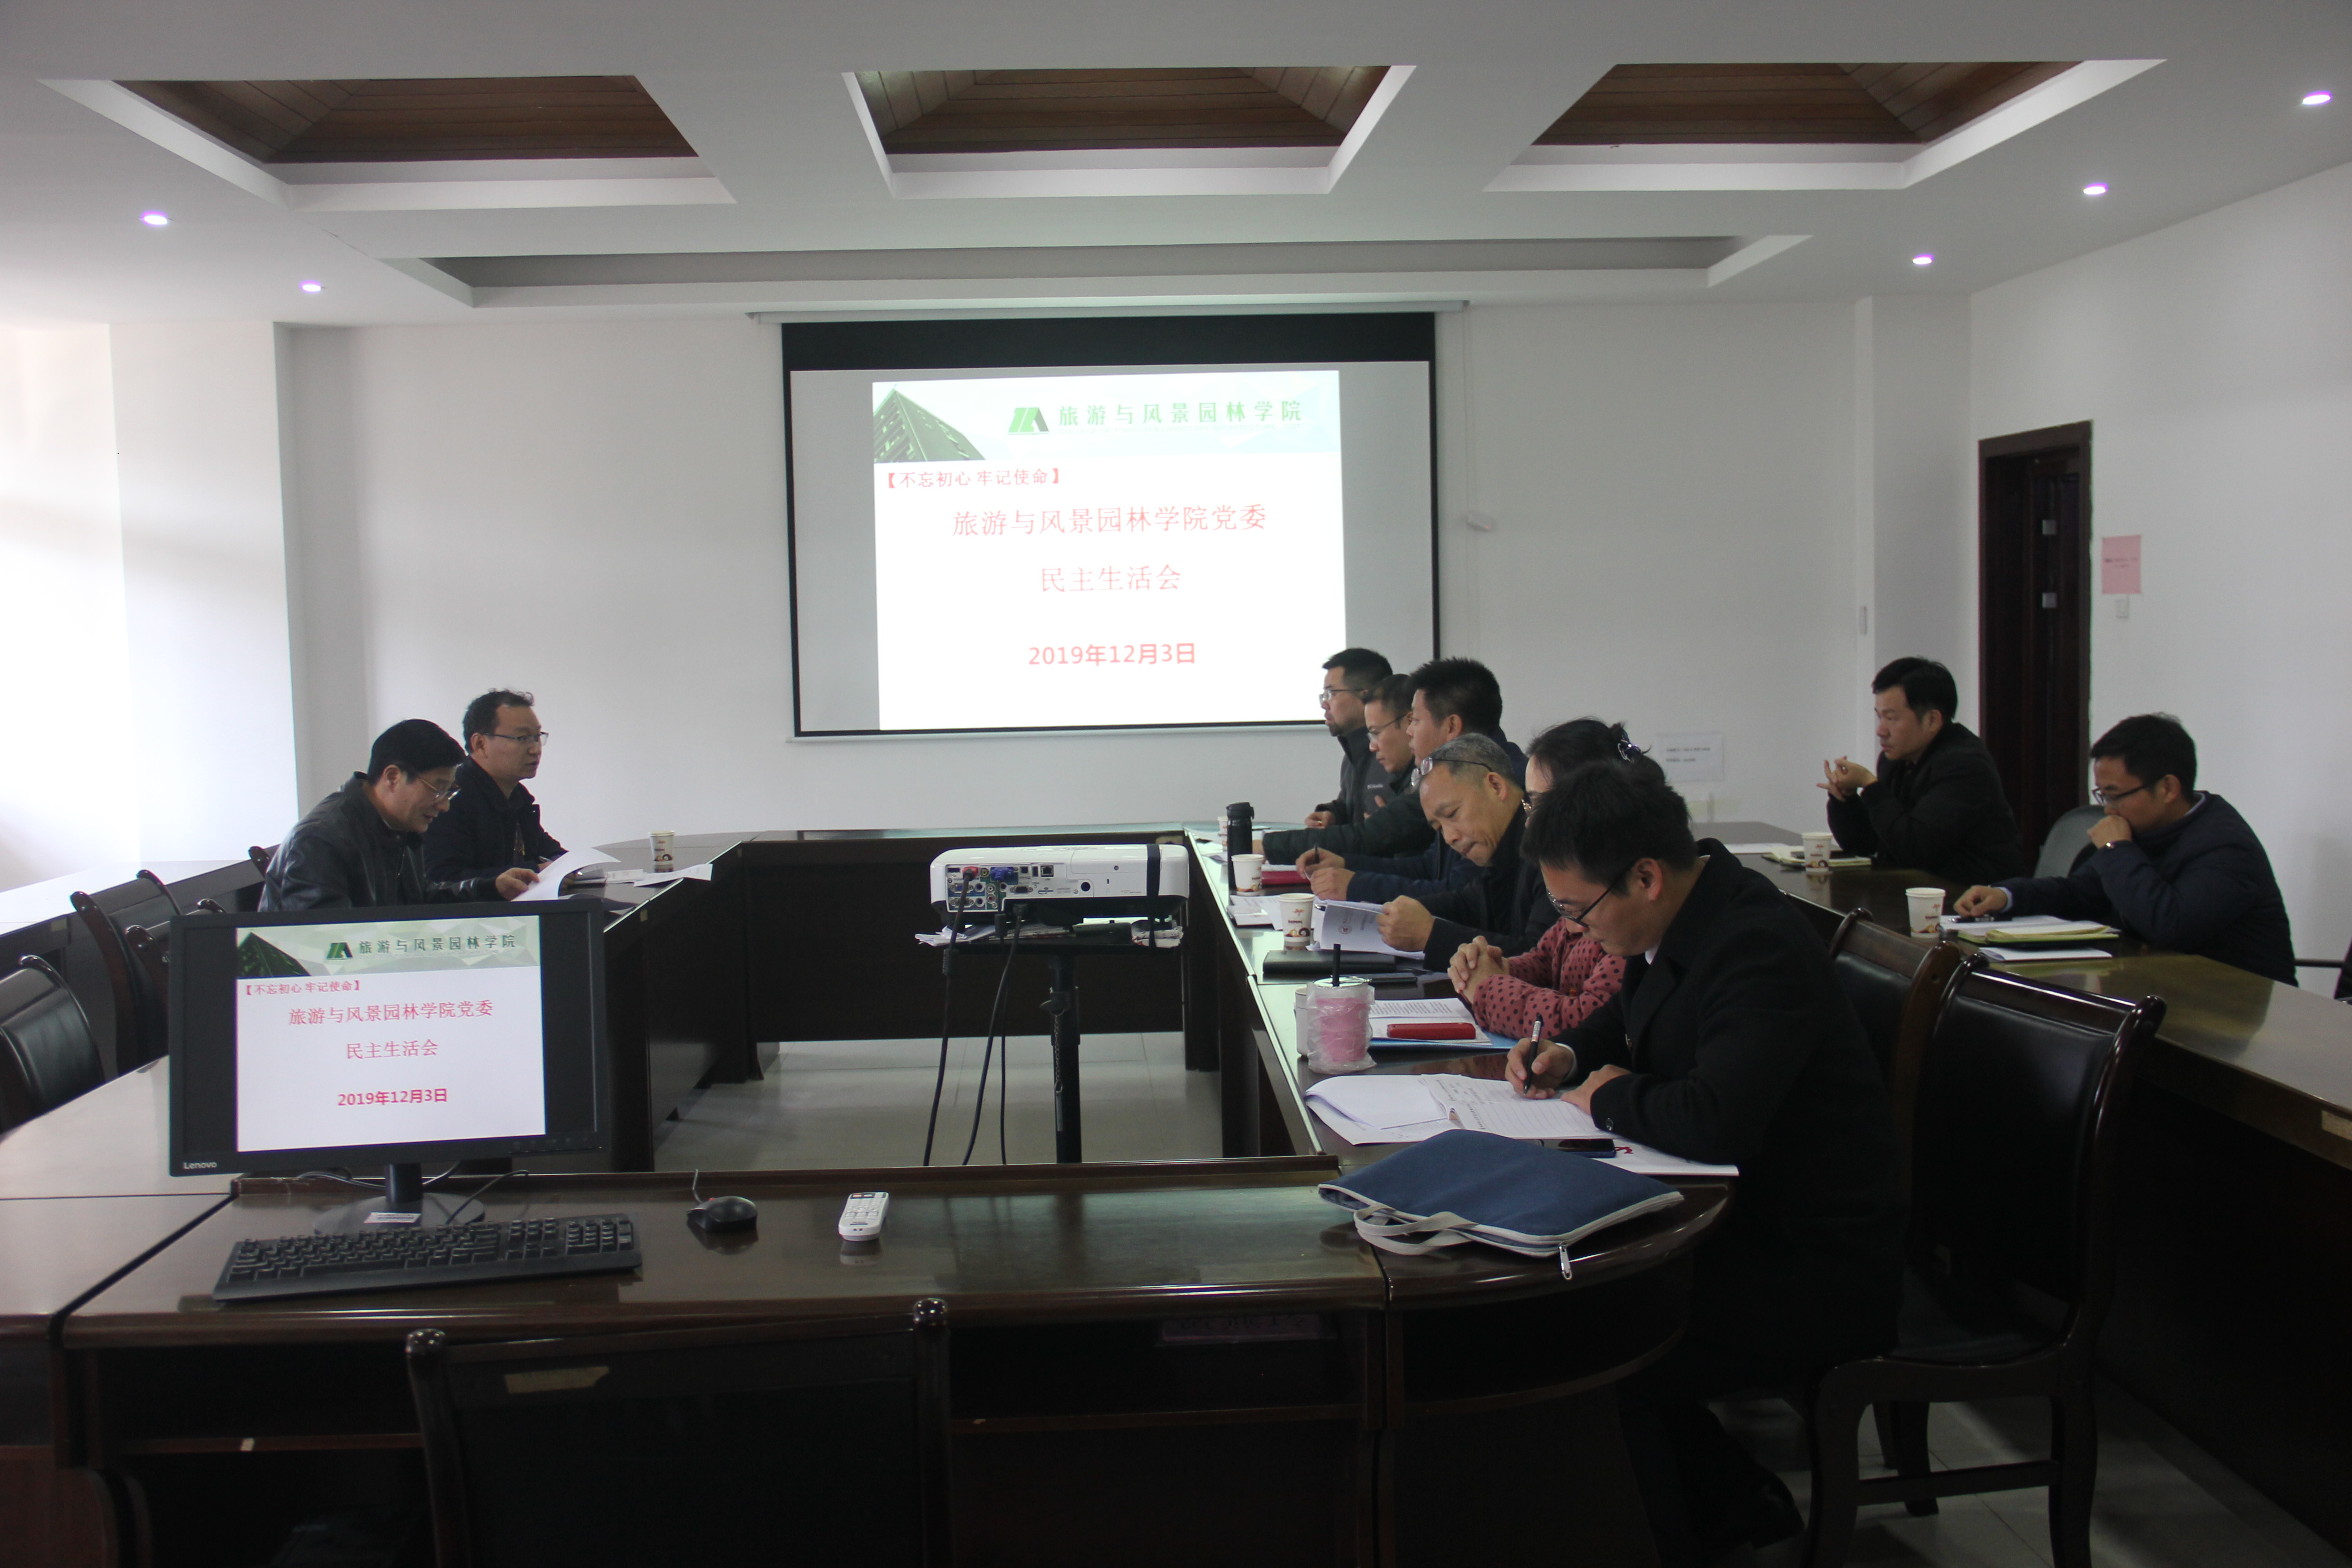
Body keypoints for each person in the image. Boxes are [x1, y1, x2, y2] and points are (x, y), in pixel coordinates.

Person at [1510, 763, 1906, 1566]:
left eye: (1576, 910)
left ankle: (1682, 1535)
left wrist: (1608, 1096)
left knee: (1593, 1351)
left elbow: (1716, 1118)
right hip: (1736, 1227)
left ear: (1645, 877)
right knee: (1568, 1324)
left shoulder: (1754, 943)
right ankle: (1732, 1504)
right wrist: (1566, 1055)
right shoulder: (1681, 918)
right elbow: (1629, 1019)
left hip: (1807, 1262)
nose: (1574, 930)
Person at [1954, 713, 2294, 982]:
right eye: (2102, 795)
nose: (2108, 810)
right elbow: (2081, 893)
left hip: (2232, 1008)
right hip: (2160, 986)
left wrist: (2117, 848)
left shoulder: (2226, 847)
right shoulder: (2144, 828)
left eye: (2116, 795)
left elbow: (2169, 926)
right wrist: (2007, 896)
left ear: (2168, 789)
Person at [1445, 720, 1651, 1038]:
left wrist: (1488, 988)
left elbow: (1581, 1023)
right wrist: (1499, 968)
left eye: (1541, 804)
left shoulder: (1623, 902)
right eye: (1530, 805)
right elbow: (1546, 958)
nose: (1529, 823)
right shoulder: (1572, 874)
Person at [1290, 657, 1524, 903]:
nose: (1410, 732)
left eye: (1416, 721)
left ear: (1452, 726)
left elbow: (1462, 896)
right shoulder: (1454, 777)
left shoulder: (1504, 781)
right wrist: (1347, 864)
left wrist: (1357, 885)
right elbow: (1430, 867)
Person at [262, 720, 539, 911]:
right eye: (438, 789)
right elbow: (325, 949)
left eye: (449, 792)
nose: (444, 806)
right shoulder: (322, 839)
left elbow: (419, 900)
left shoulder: (396, 823)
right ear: (393, 777)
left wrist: (491, 888)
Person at [1819, 656, 2025, 884]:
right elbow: (1868, 843)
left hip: (1971, 893)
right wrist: (1846, 801)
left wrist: (1871, 786)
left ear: (1932, 720)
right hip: (1916, 888)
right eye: (1879, 717)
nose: (1881, 731)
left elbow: (1915, 849)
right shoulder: (1895, 760)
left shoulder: (1965, 766)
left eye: (1891, 718)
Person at [1368, 734, 1553, 969]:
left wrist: (1431, 935)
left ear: (1496, 786)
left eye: (1452, 814)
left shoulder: (1550, 847)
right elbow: (1466, 904)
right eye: (1439, 828)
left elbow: (1543, 960)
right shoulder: (1501, 854)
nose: (1449, 837)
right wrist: (1390, 913)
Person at [1262, 674, 1435, 870]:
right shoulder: (1361, 758)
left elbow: (1365, 837)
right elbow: (1355, 813)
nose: (1373, 747)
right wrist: (1334, 814)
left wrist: (1268, 847)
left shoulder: (1430, 780)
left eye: (1332, 693)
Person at [424, 688, 566, 886]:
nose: (535, 749)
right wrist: (535, 872)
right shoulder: (451, 799)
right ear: (480, 744)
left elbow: (545, 849)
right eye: (522, 738)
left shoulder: (517, 795)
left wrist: (568, 865)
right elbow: (443, 880)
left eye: (537, 737)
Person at [1302, 648, 1393, 830]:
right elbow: (1353, 808)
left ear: (1365, 697)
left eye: (1332, 693)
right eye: (1324, 695)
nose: (1324, 704)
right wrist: (1333, 815)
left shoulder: (1393, 753)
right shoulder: (1354, 754)